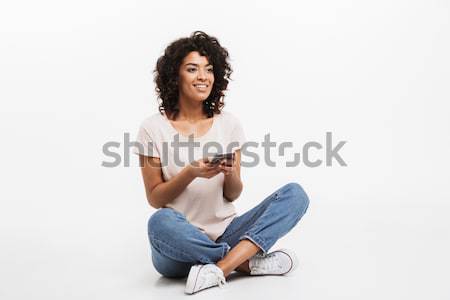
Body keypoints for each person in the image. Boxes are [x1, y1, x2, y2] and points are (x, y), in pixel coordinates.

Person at [135, 31, 310, 294]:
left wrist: (230, 174)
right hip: (177, 246)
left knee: (296, 195)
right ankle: (245, 264)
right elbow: (155, 198)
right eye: (192, 69)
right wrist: (191, 172)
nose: (203, 76)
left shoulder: (229, 124)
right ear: (175, 76)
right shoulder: (152, 128)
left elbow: (233, 193)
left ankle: (221, 266)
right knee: (159, 222)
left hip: (226, 230)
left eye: (209, 69)